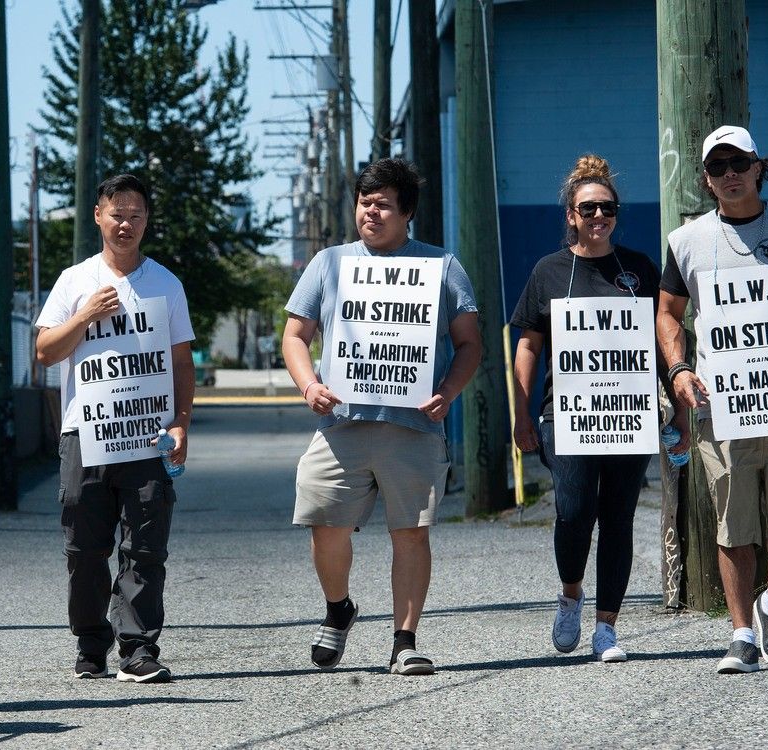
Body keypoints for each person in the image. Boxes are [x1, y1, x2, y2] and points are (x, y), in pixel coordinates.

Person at [282, 158, 481, 675]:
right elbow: (295, 336)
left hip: (413, 424)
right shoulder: (329, 263)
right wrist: (309, 385)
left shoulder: (440, 266)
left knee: (411, 531)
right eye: (365, 203)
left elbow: (469, 344)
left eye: (383, 205)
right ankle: (338, 609)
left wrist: (449, 391)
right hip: (341, 423)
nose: (371, 212)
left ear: (407, 213)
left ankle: (405, 640)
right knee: (325, 524)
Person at [656, 125, 768, 674]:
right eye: (718, 167)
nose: (730, 173)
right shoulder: (686, 242)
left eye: (740, 163)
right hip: (722, 403)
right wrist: (679, 370)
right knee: (733, 522)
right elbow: (667, 312)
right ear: (707, 181)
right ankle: (740, 633)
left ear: (761, 166)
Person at [36, 174, 195, 683]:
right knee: (84, 547)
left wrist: (181, 424)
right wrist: (85, 315)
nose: (125, 223)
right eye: (116, 213)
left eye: (136, 214)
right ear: (99, 216)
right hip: (85, 433)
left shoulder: (166, 284)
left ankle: (139, 648)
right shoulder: (74, 280)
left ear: (147, 221)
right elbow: (43, 353)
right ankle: (90, 643)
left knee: (146, 542)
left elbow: (181, 361)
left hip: (147, 434)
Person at [511, 155, 666, 662]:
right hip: (566, 415)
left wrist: (678, 410)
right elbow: (529, 345)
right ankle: (571, 594)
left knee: (618, 519)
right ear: (571, 215)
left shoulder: (640, 269)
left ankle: (607, 629)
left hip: (628, 414)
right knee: (574, 514)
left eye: (607, 207)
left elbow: (664, 338)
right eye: (588, 208)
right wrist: (521, 412)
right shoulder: (549, 272)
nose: (598, 216)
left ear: (616, 213)